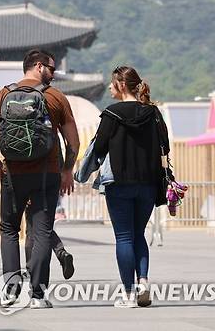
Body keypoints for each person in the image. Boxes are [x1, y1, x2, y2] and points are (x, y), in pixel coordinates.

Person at [0, 49, 80, 309]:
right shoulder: (55, 97)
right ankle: (37, 294)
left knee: (9, 229)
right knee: (42, 230)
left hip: (13, 173)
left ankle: (10, 290)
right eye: (51, 68)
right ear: (38, 67)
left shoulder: (3, 95)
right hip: (47, 174)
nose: (54, 74)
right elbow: (74, 141)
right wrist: (67, 170)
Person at [92, 66, 168, 308]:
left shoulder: (111, 114)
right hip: (148, 183)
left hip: (119, 184)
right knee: (138, 234)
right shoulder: (154, 113)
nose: (109, 88)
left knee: (123, 237)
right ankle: (143, 281)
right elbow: (164, 146)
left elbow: (100, 147)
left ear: (121, 85)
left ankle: (128, 294)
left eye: (111, 84)